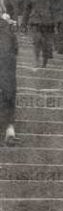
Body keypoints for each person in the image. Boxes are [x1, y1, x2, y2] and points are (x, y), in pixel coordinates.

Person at [0, 11, 20, 146]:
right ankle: (10, 129)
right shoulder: (8, 29)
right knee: (8, 98)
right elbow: (16, 49)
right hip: (8, 70)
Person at [27, 0, 54, 68]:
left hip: (36, 24)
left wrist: (24, 23)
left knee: (36, 43)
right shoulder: (51, 0)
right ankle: (43, 62)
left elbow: (26, 13)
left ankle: (37, 61)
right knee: (45, 43)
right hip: (46, 25)